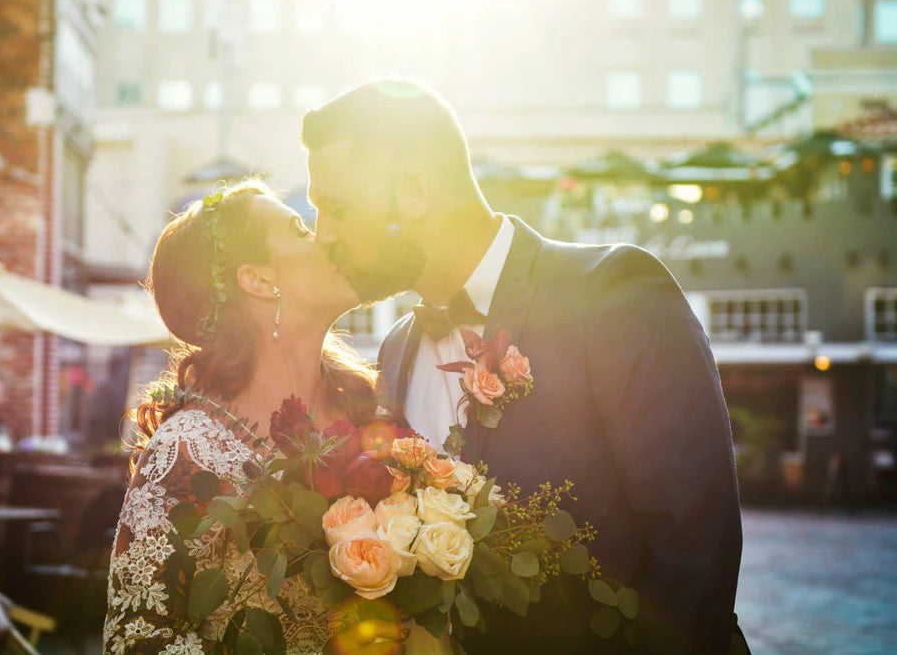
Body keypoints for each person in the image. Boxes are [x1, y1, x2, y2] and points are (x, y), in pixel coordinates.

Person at [303, 79, 744, 653]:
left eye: (335, 208)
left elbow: (696, 558)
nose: (323, 234)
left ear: (413, 193)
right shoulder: (395, 350)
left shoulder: (615, 295)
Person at [103, 181, 399, 654]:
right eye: (300, 229)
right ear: (258, 280)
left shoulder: (375, 418)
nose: (325, 236)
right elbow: (135, 640)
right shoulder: (191, 449)